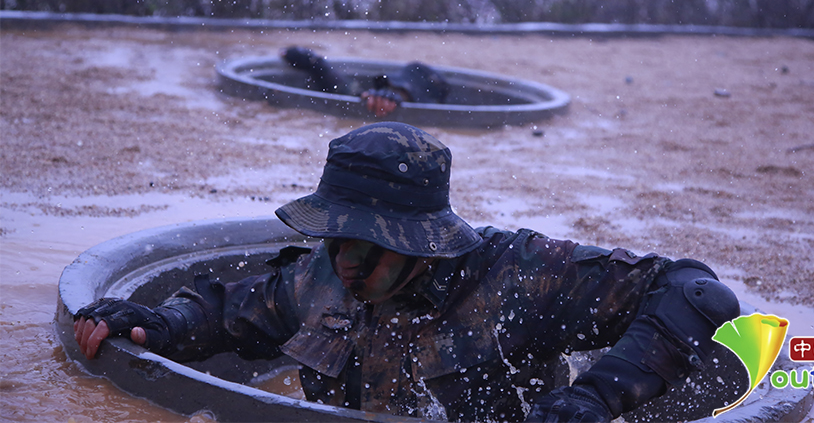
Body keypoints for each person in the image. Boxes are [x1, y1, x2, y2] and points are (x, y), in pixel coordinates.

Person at [74, 122, 740, 423]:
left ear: (426, 241)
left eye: (372, 244)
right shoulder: (323, 277)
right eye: (338, 239)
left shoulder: (518, 275)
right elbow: (226, 312)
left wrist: (594, 399)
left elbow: (694, 293)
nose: (349, 263)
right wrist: (155, 324)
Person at [281, 46, 450, 117]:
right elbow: (343, 87)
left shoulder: (438, 111)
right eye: (392, 87)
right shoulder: (370, 97)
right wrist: (315, 63)